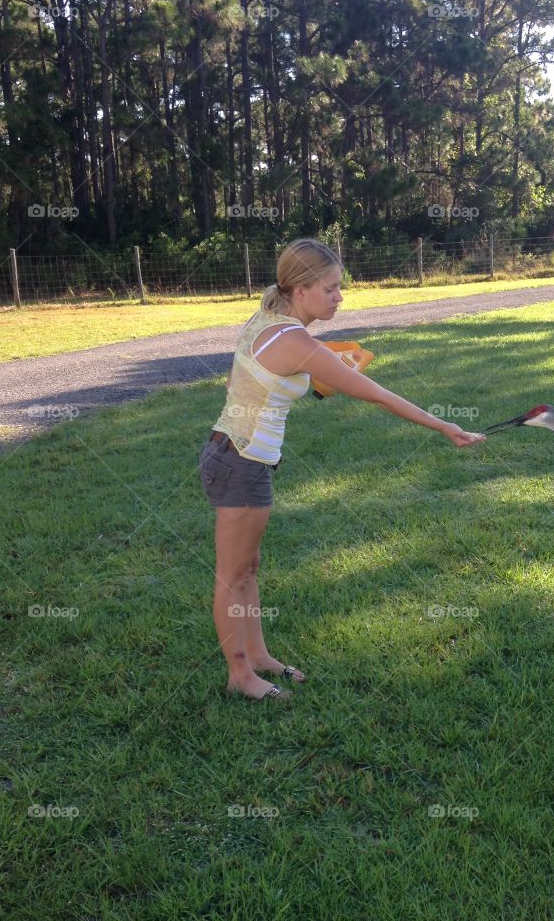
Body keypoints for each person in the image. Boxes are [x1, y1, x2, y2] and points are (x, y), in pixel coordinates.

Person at [199, 237, 486, 701]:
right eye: (331, 288)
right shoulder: (295, 339)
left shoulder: (269, 317)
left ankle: (259, 656)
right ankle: (240, 675)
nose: (340, 297)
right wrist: (443, 425)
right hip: (240, 461)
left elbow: (243, 377)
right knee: (232, 575)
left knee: (248, 567)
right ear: (301, 290)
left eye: (340, 287)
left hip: (239, 456)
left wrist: (314, 369)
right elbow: (375, 394)